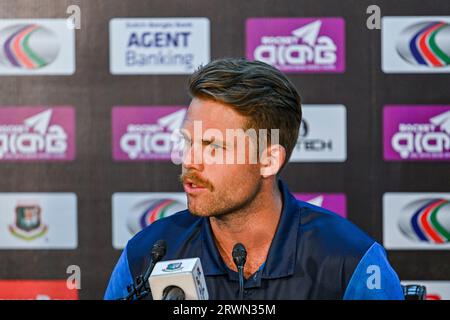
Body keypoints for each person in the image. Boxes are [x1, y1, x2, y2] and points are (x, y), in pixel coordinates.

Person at [104, 58, 404, 300]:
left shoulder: (348, 261)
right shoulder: (147, 255)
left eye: (214, 146)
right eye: (188, 142)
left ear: (269, 160)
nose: (190, 161)